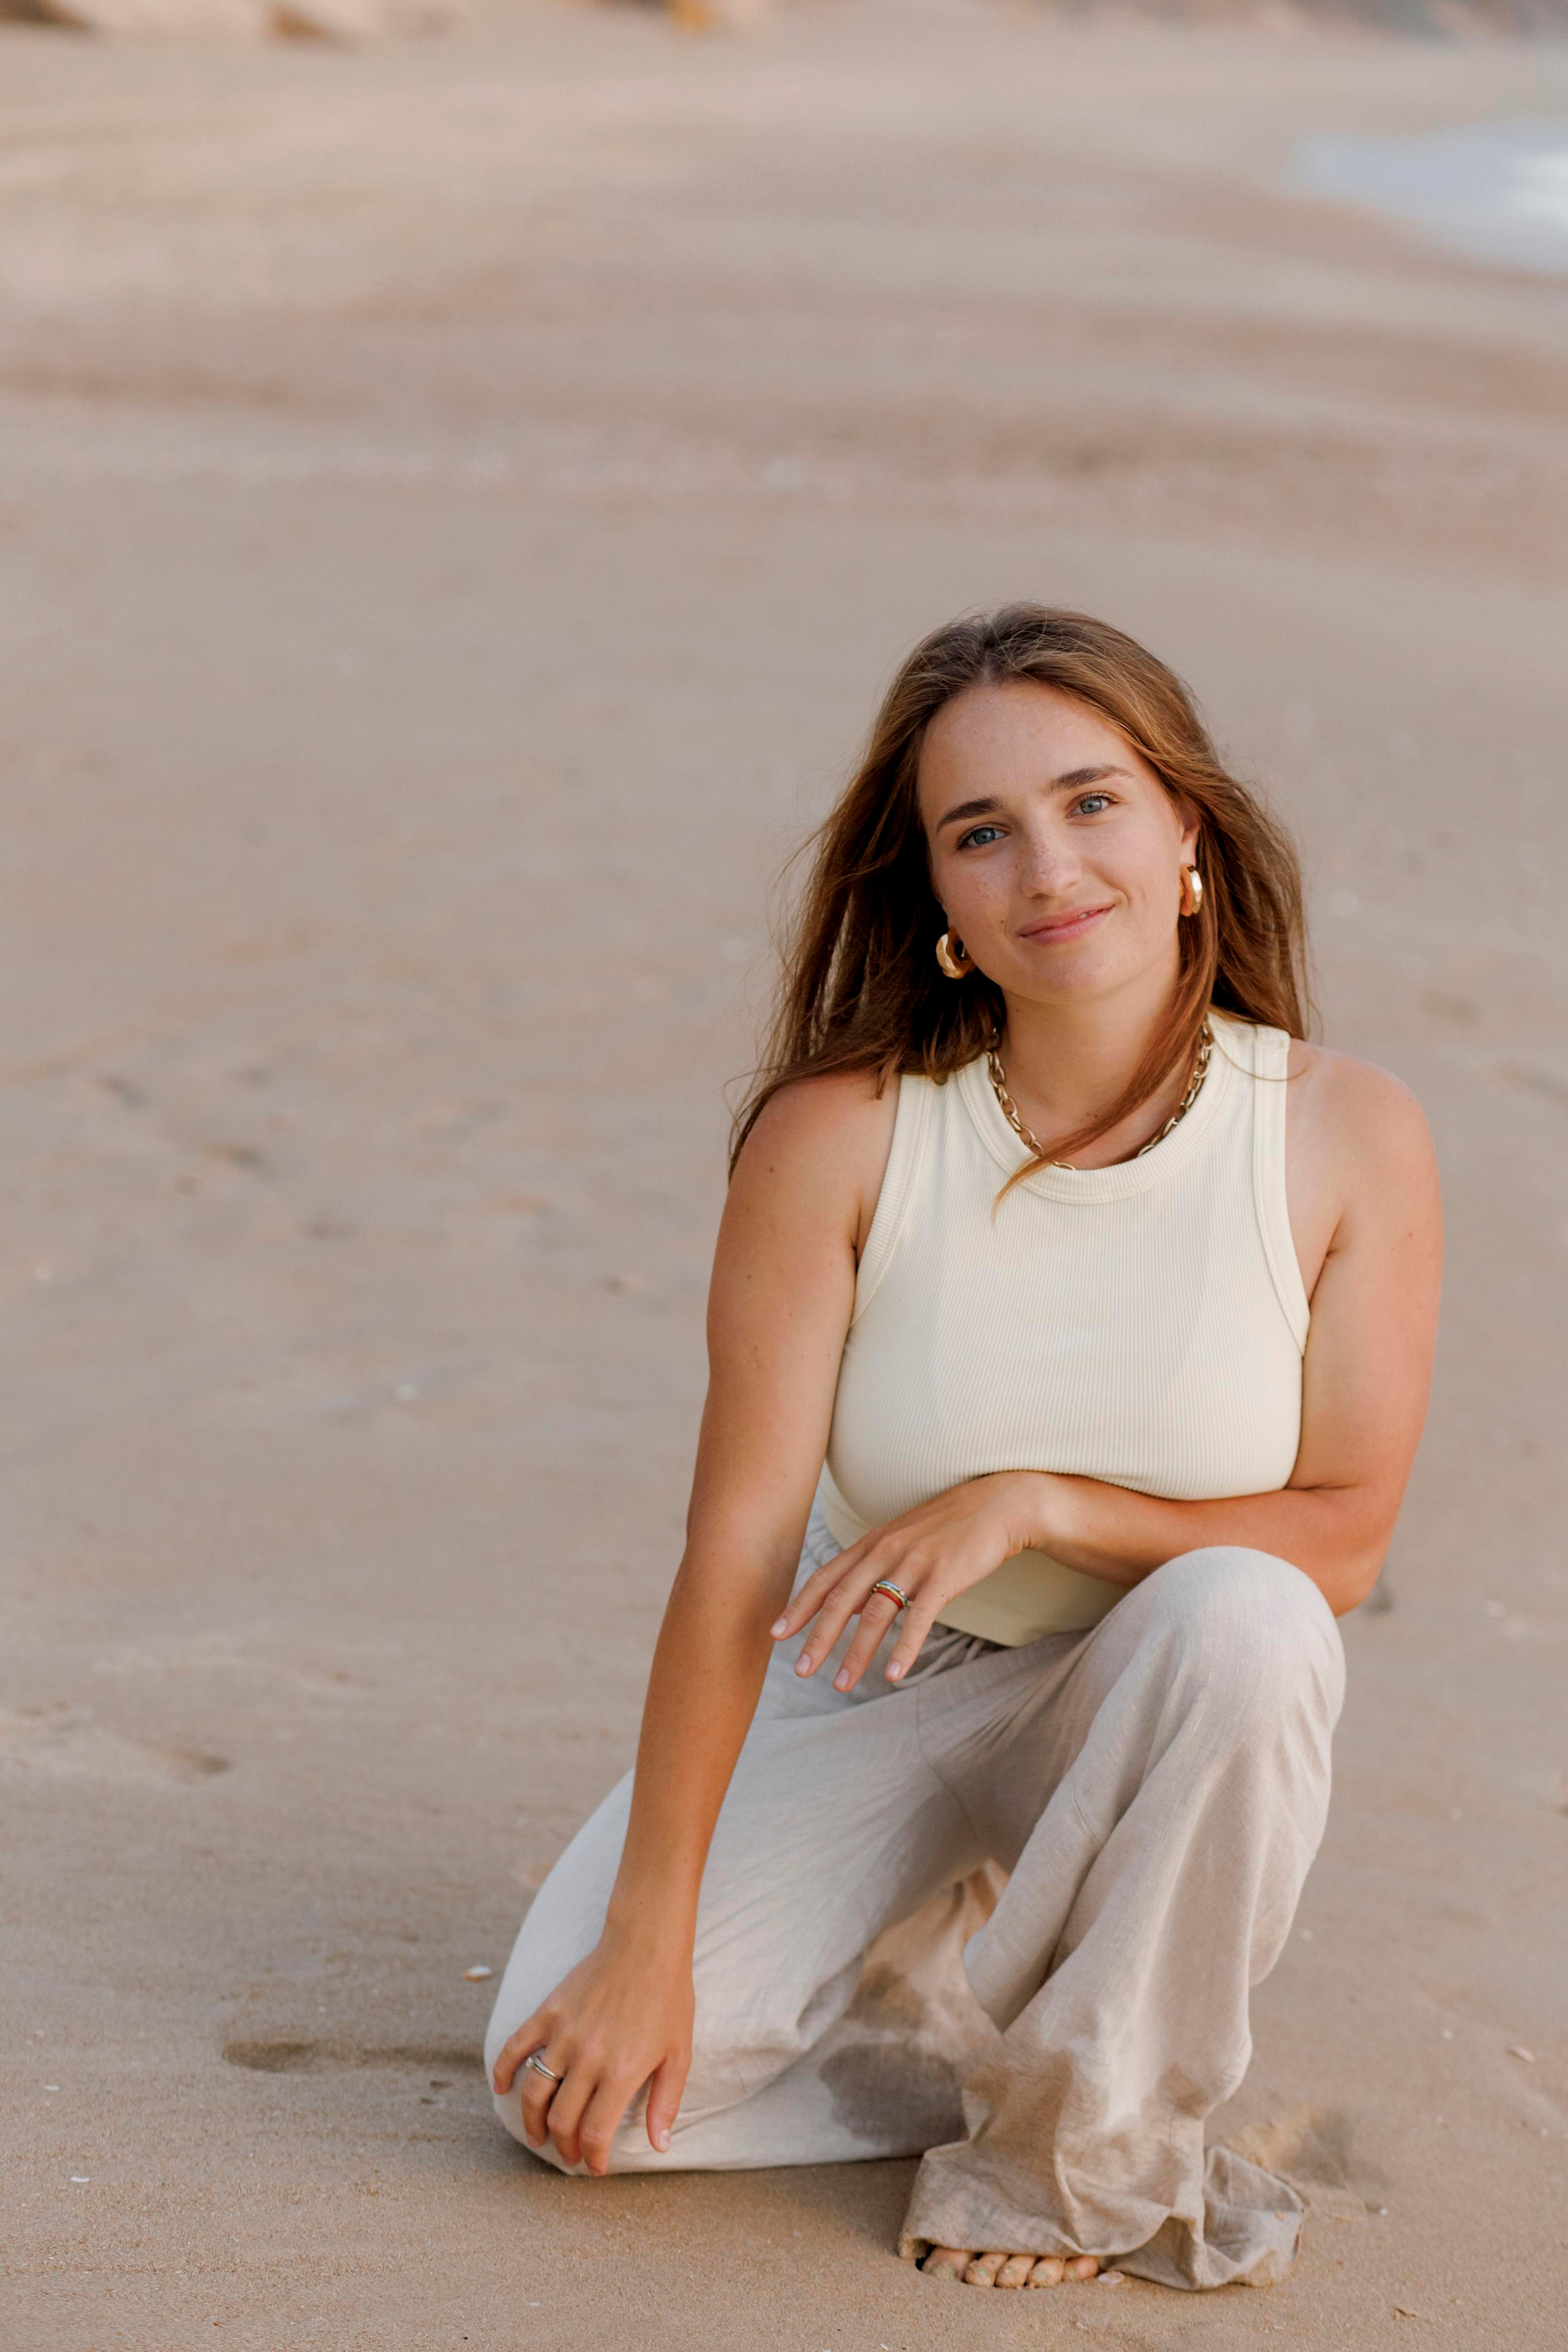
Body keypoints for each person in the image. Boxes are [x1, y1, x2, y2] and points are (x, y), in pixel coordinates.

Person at [484, 605, 1442, 2290]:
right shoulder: (839, 1137)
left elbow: (1346, 1538)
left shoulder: (1338, 1132)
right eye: (979, 832)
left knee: (1252, 1617)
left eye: (1091, 804)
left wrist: (1038, 1501)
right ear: (933, 896)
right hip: (875, 1680)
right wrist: (648, 1937)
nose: (1048, 867)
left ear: (1185, 833)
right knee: (577, 2105)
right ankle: (995, 2023)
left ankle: (1071, 2147)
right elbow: (734, 1557)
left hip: (1149, 1706)